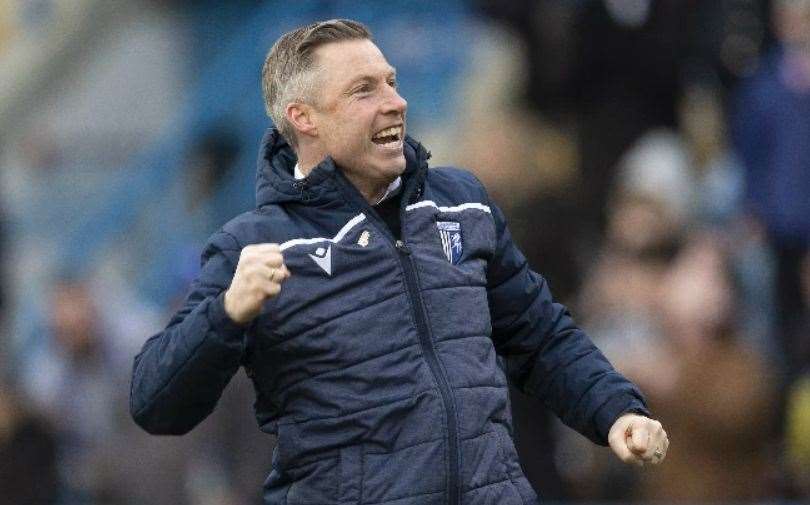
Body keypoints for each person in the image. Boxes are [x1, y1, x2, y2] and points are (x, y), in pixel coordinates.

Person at [130, 19, 669, 505]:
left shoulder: (463, 203)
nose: (395, 101)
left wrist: (616, 410)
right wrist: (225, 315)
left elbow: (541, 335)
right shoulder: (254, 247)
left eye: (390, 81)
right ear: (304, 118)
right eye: (364, 90)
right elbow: (156, 403)